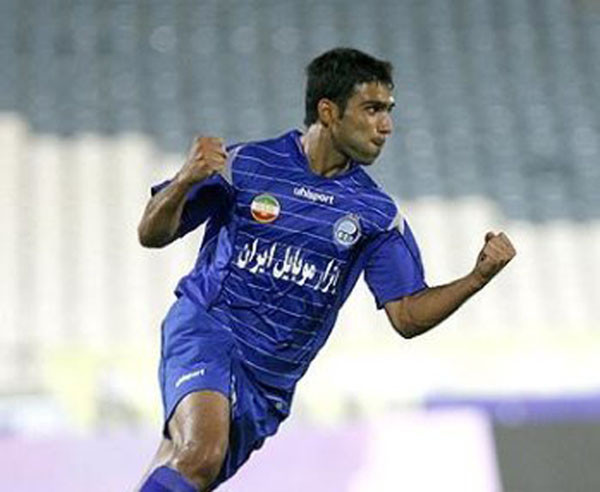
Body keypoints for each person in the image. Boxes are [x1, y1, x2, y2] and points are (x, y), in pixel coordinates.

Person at [135, 47, 516, 491]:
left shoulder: (376, 213)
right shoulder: (246, 165)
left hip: (270, 381)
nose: (386, 126)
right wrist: (185, 178)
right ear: (328, 111)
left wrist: (476, 278)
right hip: (209, 328)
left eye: (388, 111)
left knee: (182, 468)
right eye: (372, 109)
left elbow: (407, 316)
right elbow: (151, 233)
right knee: (201, 454)